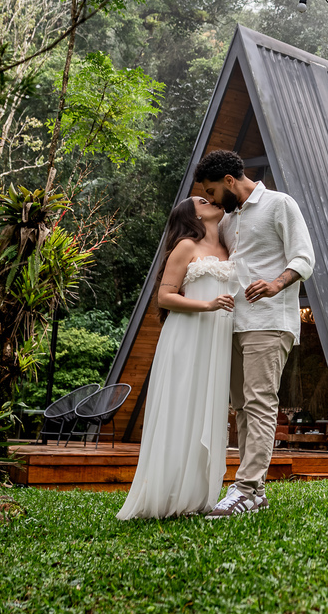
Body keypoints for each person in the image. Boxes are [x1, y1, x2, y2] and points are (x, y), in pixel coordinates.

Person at [196, 149, 315, 518]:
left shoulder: (280, 204)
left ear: (230, 181)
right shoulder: (228, 221)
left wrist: (276, 284)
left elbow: (304, 258)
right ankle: (255, 492)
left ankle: (246, 487)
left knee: (260, 402)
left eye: (214, 191)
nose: (213, 199)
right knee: (243, 408)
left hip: (270, 320)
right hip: (232, 322)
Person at [117, 196, 236, 520]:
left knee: (206, 410)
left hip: (216, 341)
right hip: (187, 337)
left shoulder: (229, 247)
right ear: (191, 214)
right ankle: (166, 494)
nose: (210, 200)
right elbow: (165, 296)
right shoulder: (185, 245)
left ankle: (196, 496)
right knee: (181, 407)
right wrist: (208, 305)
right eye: (202, 200)